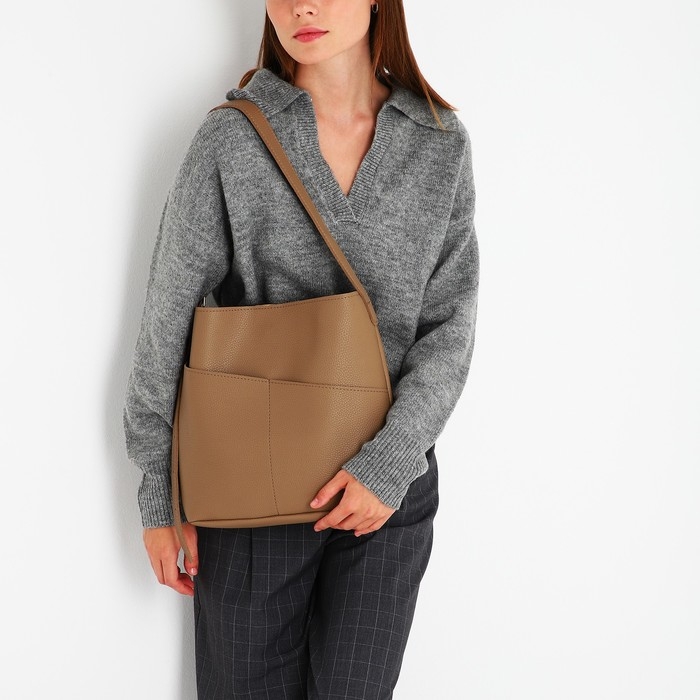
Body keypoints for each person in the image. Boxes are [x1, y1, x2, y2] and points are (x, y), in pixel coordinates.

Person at [122, 0, 479, 697]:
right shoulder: (232, 141)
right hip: (250, 492)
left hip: (383, 495)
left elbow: (450, 327)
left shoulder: (438, 144)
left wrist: (390, 463)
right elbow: (165, 321)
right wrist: (158, 493)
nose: (302, 6)